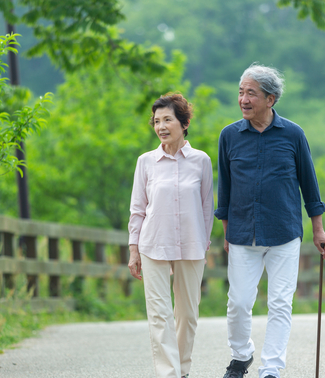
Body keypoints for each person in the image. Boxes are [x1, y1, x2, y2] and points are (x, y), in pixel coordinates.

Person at [215, 64, 325, 378]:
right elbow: (224, 188)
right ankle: (242, 356)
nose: (243, 99)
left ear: (271, 99)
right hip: (242, 234)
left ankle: (271, 368)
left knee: (280, 303)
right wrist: (226, 230)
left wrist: (318, 228)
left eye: (251, 93)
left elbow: (309, 183)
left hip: (284, 233)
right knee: (238, 303)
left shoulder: (293, 134)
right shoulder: (229, 136)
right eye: (241, 92)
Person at [128, 93, 214, 378]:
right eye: (156, 121)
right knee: (160, 314)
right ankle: (169, 373)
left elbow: (206, 207)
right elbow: (138, 209)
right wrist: (133, 249)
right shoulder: (146, 162)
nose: (161, 126)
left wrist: (204, 244)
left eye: (168, 120)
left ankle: (183, 369)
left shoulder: (201, 161)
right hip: (152, 244)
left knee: (187, 315)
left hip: (192, 245)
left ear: (184, 122)